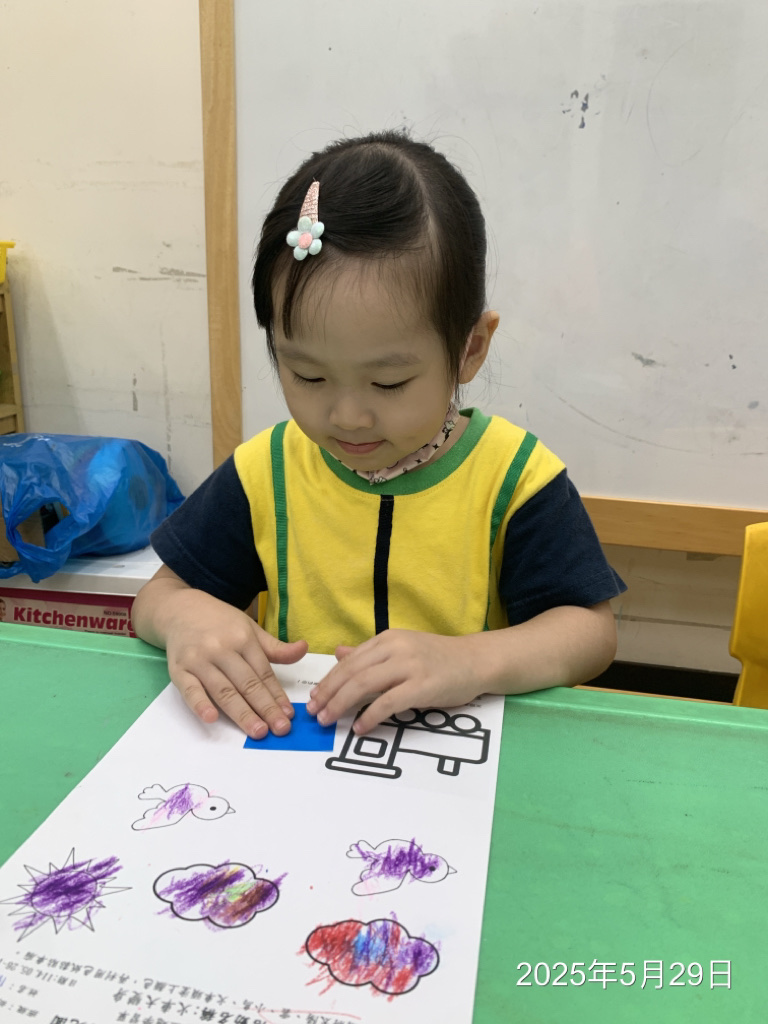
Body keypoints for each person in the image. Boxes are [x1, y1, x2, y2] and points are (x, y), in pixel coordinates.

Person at [132, 130, 626, 741]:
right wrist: (184, 616)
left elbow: (590, 631)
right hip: (301, 753)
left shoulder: (516, 478)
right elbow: (157, 596)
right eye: (307, 375)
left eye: (389, 382)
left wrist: (470, 660)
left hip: (453, 758)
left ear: (470, 349)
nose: (347, 417)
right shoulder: (267, 471)